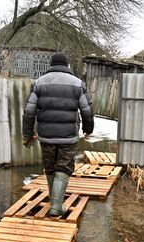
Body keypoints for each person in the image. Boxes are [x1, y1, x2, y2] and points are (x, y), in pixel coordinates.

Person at [22, 52, 94, 216]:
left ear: (51, 65)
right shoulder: (78, 84)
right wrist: (88, 128)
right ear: (67, 65)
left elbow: (29, 112)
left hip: (46, 136)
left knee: (50, 167)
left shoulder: (38, 83)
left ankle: (54, 203)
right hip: (68, 137)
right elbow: (87, 110)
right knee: (63, 167)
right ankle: (56, 206)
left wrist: (27, 134)